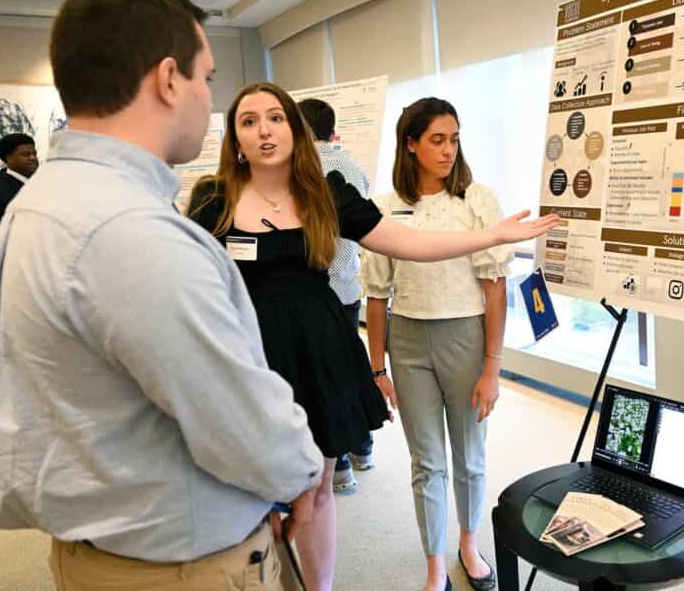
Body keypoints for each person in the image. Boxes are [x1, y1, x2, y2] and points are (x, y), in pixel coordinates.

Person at [0, 0, 323, 591]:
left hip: (115, 545)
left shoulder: (49, 200)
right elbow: (237, 422)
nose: (208, 99)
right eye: (206, 79)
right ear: (168, 79)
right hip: (181, 565)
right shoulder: (128, 230)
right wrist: (302, 473)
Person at [187, 82, 558, 591]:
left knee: (318, 487)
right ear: (235, 137)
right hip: (250, 356)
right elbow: (189, 281)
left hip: (318, 350)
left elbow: (408, 243)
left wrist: (493, 236)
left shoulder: (324, 192)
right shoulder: (214, 200)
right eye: (248, 121)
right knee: (258, 490)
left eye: (275, 118)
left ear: (294, 130)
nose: (263, 130)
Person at [362, 98, 508, 591]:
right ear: (411, 144)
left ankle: (468, 543)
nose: (449, 150)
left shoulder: (476, 200)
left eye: (455, 138)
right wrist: (377, 368)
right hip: (407, 342)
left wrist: (492, 367)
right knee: (426, 461)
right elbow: (377, 295)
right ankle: (433, 564)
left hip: (465, 337)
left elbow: (494, 286)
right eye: (437, 140)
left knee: (469, 455)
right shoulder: (385, 206)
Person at [297, 97, 375, 494]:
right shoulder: (356, 169)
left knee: (324, 379)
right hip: (347, 286)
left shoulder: (301, 172)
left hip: (313, 292)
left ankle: (340, 463)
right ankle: (363, 447)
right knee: (350, 365)